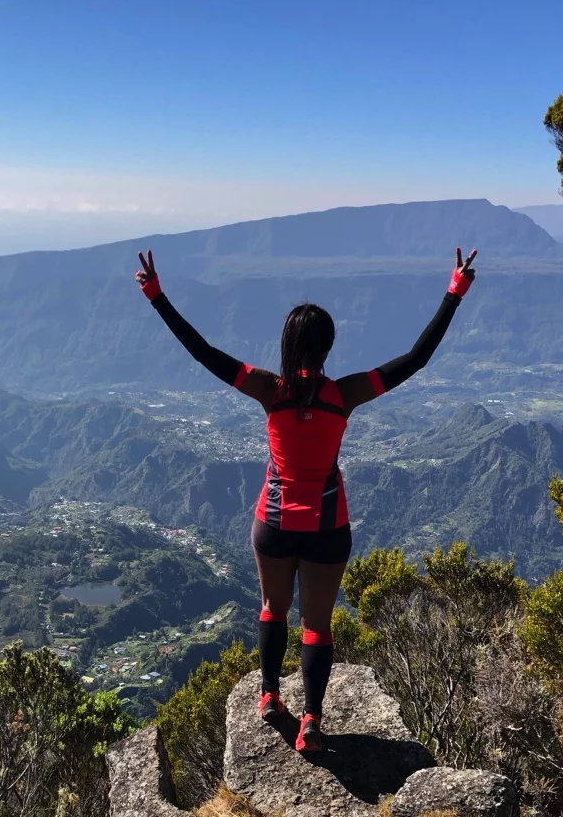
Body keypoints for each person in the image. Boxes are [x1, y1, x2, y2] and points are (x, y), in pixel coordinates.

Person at [135, 245, 478, 752]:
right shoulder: (346, 394)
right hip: (326, 528)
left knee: (273, 609)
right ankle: (311, 722)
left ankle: (270, 696)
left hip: (272, 524)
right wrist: (454, 292)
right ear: (328, 347)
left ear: (288, 344)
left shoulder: (268, 390)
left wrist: (157, 296)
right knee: (316, 625)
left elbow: (204, 353)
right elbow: (417, 358)